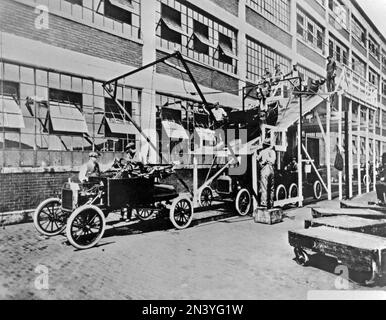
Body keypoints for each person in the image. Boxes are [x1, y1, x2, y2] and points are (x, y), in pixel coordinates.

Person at [257, 141, 277, 209]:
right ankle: (271, 204)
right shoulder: (273, 152)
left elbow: (257, 158)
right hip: (271, 169)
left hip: (265, 169)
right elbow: (273, 161)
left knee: (264, 187)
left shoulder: (263, 151)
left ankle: (264, 204)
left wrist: (261, 162)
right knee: (271, 188)